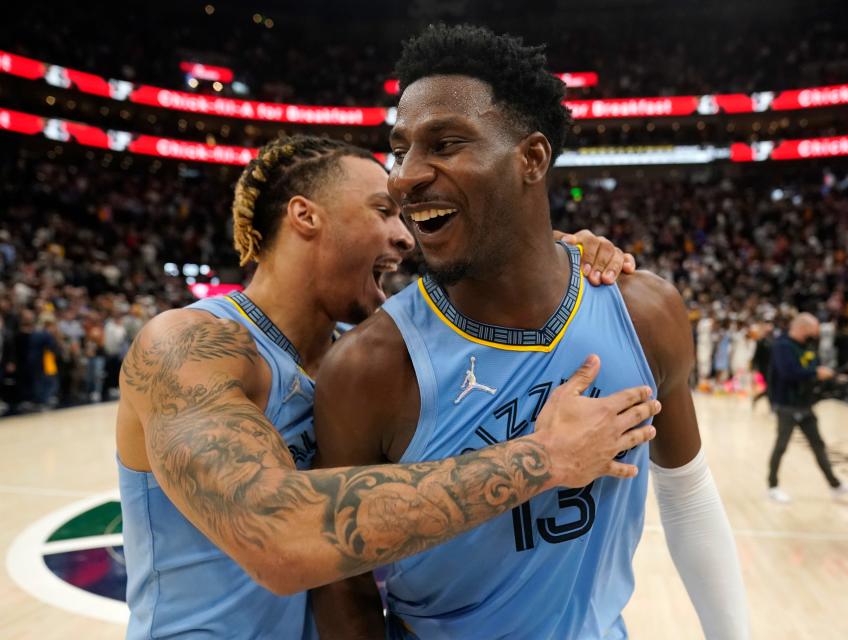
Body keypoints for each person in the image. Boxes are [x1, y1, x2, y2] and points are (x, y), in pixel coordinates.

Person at [116, 134, 655, 639]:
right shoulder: (188, 345)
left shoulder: (364, 360)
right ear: (305, 215)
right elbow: (278, 538)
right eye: (383, 211)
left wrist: (548, 255)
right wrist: (542, 458)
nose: (405, 234)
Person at [312, 25, 748, 640]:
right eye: (400, 148)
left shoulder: (643, 311)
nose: (406, 176)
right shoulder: (369, 366)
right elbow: (341, 581)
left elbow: (687, 495)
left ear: (532, 158)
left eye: (445, 142)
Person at [766, 313, 848, 503]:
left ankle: (835, 485)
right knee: (781, 446)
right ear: (802, 327)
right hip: (787, 404)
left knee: (818, 445)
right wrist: (815, 373)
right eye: (814, 329)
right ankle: (773, 486)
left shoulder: (808, 346)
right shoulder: (782, 346)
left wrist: (832, 376)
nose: (816, 333)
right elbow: (788, 373)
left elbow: (815, 368)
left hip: (805, 404)